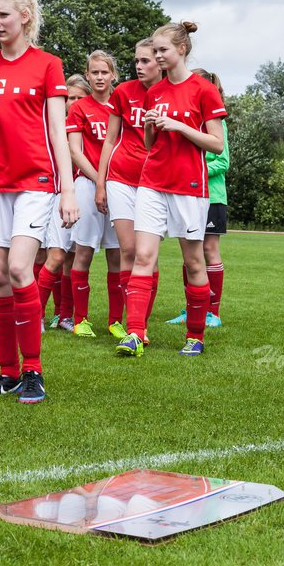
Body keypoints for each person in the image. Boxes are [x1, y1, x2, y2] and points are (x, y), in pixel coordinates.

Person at [0, 0, 78, 403]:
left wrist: (67, 189)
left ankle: (33, 371)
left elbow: (57, 132)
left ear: (24, 17)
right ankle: (7, 373)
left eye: (2, 15)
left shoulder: (48, 64)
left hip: (35, 181)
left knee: (18, 269)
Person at [115, 23, 226, 358]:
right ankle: (135, 334)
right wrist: (149, 124)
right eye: (155, 51)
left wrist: (180, 126)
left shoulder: (204, 90)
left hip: (190, 187)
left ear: (182, 49)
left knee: (194, 261)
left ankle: (195, 336)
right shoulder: (155, 92)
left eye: (162, 50)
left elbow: (217, 145)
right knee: (143, 256)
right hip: (152, 182)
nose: (158, 56)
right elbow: (150, 143)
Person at [96, 38, 164, 339]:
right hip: (121, 177)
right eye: (136, 61)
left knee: (147, 254)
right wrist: (101, 183)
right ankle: (130, 322)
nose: (139, 66)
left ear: (160, 63)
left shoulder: (171, 93)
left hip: (155, 180)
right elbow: (110, 140)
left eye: (146, 61)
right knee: (128, 249)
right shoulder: (123, 92)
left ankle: (141, 323)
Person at [66, 52, 123, 338]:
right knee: (84, 251)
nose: (99, 77)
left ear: (113, 74)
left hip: (119, 185)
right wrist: (99, 180)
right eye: (94, 72)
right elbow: (75, 151)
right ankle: (81, 319)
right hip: (89, 184)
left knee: (118, 255)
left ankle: (115, 320)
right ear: (87, 76)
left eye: (105, 72)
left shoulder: (122, 103)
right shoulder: (79, 108)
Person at [168, 69, 228, 329]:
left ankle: (212, 312)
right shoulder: (188, 119)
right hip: (188, 194)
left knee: (209, 250)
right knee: (190, 252)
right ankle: (193, 307)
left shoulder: (216, 119)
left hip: (212, 196)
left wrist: (196, 168)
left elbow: (223, 161)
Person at [38, 75, 91, 332]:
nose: (74, 102)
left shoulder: (90, 124)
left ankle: (64, 315)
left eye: (80, 97)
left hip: (82, 194)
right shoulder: (54, 124)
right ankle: (36, 314)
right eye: (70, 97)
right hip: (59, 194)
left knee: (72, 257)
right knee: (56, 255)